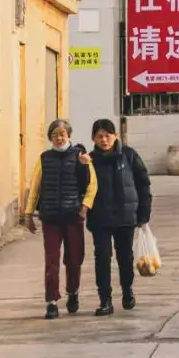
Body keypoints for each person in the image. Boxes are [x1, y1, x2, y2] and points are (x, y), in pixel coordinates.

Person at [23, 118, 97, 319]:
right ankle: (51, 301)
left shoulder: (81, 157)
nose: (58, 137)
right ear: (50, 138)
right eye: (54, 134)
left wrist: (85, 207)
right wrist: (28, 213)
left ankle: (73, 292)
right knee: (52, 261)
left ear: (69, 136)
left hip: (73, 216)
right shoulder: (44, 158)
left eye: (62, 134)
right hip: (51, 217)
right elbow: (35, 187)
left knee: (74, 259)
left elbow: (92, 184)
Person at [87, 119, 152, 317]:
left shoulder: (129, 155)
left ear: (115, 136)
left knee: (125, 257)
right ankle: (105, 300)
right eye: (99, 136)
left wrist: (144, 213)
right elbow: (82, 186)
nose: (104, 140)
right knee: (102, 259)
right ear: (93, 138)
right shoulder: (89, 160)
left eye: (108, 135)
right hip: (100, 218)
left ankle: (127, 291)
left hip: (125, 217)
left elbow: (143, 184)